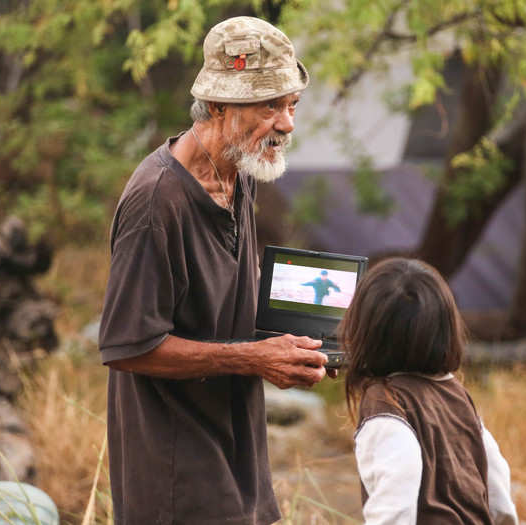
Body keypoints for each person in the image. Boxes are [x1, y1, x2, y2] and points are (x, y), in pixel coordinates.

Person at [98, 17, 334, 525]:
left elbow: (224, 298)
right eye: (270, 105)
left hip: (237, 450)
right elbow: (129, 347)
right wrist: (255, 359)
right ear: (220, 106)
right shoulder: (156, 201)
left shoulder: (240, 170)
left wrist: (312, 341)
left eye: (291, 104)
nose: (288, 123)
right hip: (175, 475)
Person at [340, 258, 519, 524]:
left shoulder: (384, 403)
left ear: (365, 331)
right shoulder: (454, 392)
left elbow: (394, 508)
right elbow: (498, 490)